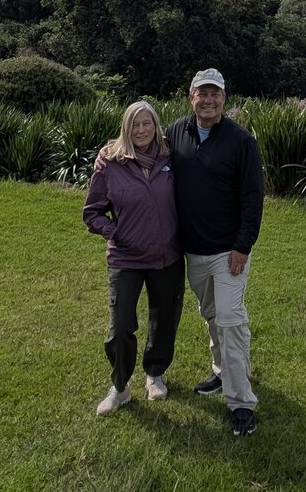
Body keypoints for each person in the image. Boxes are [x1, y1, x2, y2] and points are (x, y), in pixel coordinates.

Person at [167, 68, 265, 436]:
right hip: (193, 252)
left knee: (229, 319)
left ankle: (241, 403)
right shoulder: (177, 132)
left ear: (224, 98)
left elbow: (254, 199)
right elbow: (141, 148)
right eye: (201, 93)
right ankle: (222, 373)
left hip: (229, 253)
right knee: (210, 314)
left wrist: (242, 248)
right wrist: (109, 151)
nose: (208, 100)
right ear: (190, 97)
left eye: (215, 94)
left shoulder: (241, 141)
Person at [81, 100, 183, 417]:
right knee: (121, 325)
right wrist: (116, 231)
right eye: (135, 124)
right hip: (126, 257)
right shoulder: (110, 161)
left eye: (147, 123)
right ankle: (121, 387)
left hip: (167, 255)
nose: (141, 130)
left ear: (156, 126)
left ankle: (154, 373)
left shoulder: (170, 158)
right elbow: (92, 212)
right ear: (127, 127)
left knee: (164, 320)